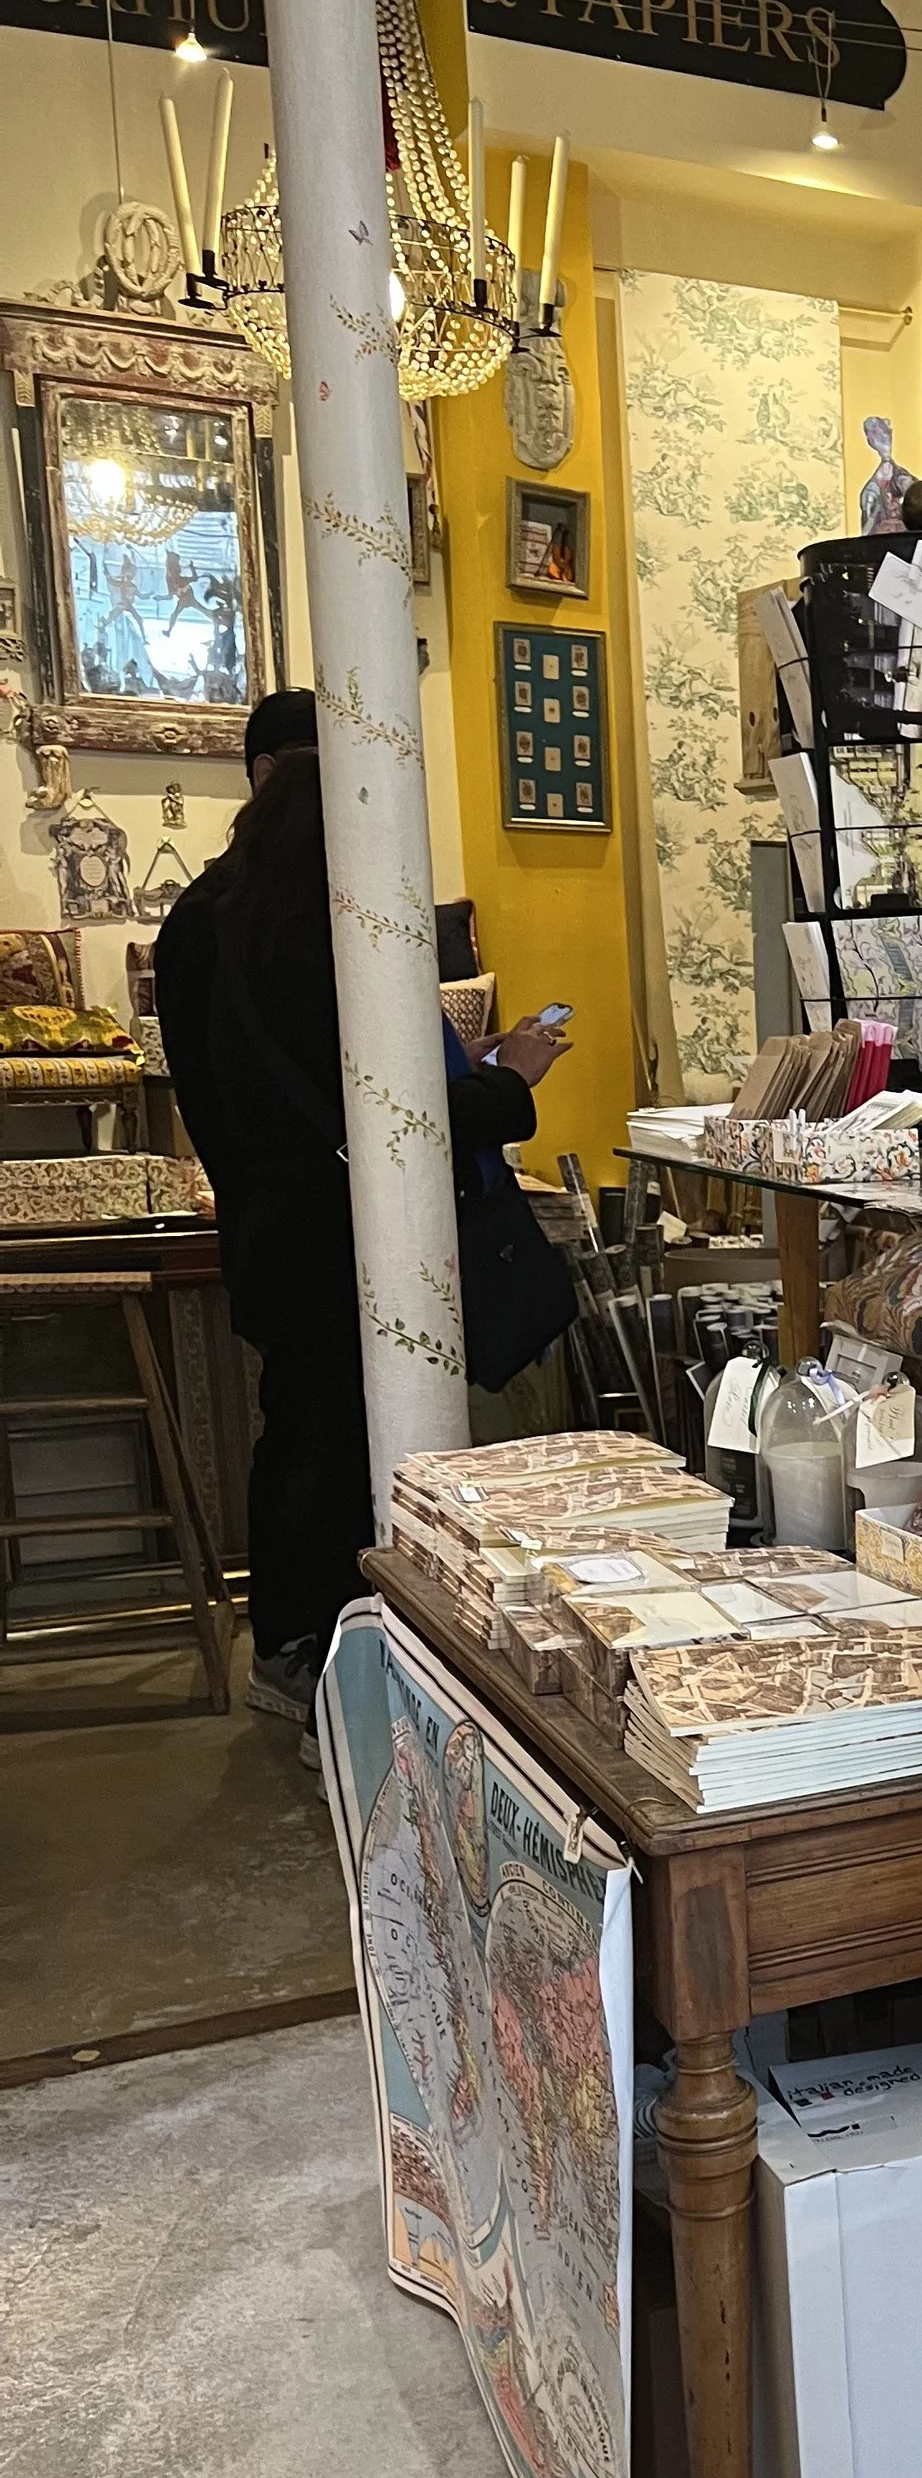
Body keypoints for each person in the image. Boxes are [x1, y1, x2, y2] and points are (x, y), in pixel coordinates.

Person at [155, 738, 569, 1744]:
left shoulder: (203, 925)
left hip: (267, 1228)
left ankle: (288, 1651)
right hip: (354, 1236)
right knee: (355, 1452)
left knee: (298, 1436)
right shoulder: (331, 946)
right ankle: (349, 1685)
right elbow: (398, 1117)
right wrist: (509, 1079)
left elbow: (254, 1098)